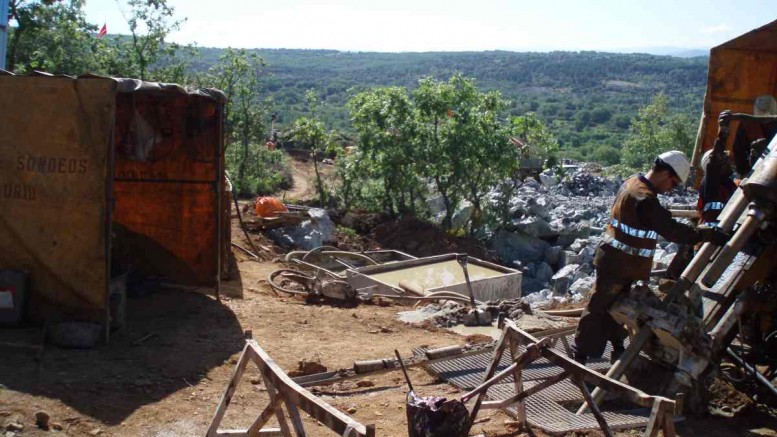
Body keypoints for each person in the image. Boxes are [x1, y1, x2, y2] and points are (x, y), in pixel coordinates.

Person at [572, 151, 730, 365]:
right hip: (619, 263)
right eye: (673, 183)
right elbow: (671, 230)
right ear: (665, 174)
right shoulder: (644, 198)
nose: (671, 189)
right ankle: (579, 356)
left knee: (617, 306)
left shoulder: (633, 183)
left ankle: (618, 349)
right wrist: (706, 234)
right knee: (599, 307)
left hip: (620, 262)